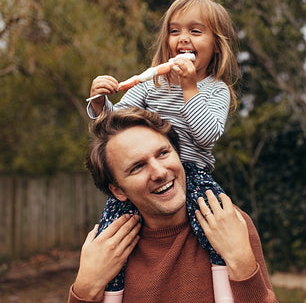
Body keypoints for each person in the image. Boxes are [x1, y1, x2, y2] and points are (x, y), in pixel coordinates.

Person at [86, 0, 238, 301]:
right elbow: (117, 127)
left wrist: (189, 88)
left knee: (218, 232)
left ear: (216, 44)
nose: (183, 39)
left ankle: (224, 293)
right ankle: (112, 295)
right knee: (110, 235)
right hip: (144, 176)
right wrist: (100, 103)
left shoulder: (216, 90)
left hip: (192, 174)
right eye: (174, 31)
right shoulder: (149, 84)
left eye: (196, 31)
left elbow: (207, 135)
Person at [68, 107, 278, 303]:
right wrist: (85, 289)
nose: (160, 172)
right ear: (118, 190)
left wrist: (242, 262)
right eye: (138, 167)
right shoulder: (108, 250)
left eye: (163, 153)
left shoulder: (229, 223)